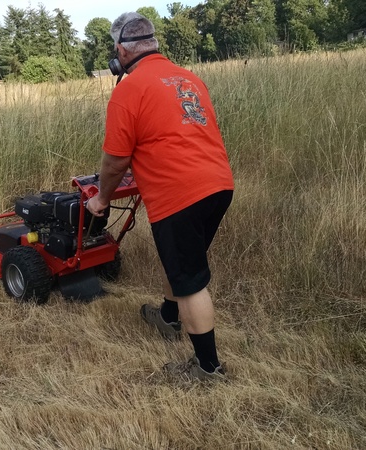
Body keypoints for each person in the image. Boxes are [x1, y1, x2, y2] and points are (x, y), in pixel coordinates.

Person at [86, 12, 234, 381]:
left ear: (120, 50)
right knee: (182, 260)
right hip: (218, 184)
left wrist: (101, 199)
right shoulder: (189, 78)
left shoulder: (129, 89)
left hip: (179, 193)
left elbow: (116, 158)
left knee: (189, 279)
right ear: (153, 43)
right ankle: (168, 318)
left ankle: (208, 368)